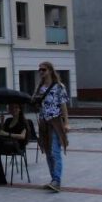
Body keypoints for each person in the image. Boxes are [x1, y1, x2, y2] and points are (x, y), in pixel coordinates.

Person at [33, 61, 70, 192]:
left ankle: (57, 181)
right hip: (43, 123)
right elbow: (36, 103)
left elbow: (63, 105)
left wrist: (66, 123)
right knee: (48, 152)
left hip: (55, 122)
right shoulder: (39, 87)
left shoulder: (59, 87)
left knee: (55, 151)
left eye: (43, 69)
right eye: (39, 70)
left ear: (50, 70)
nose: (41, 72)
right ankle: (53, 179)